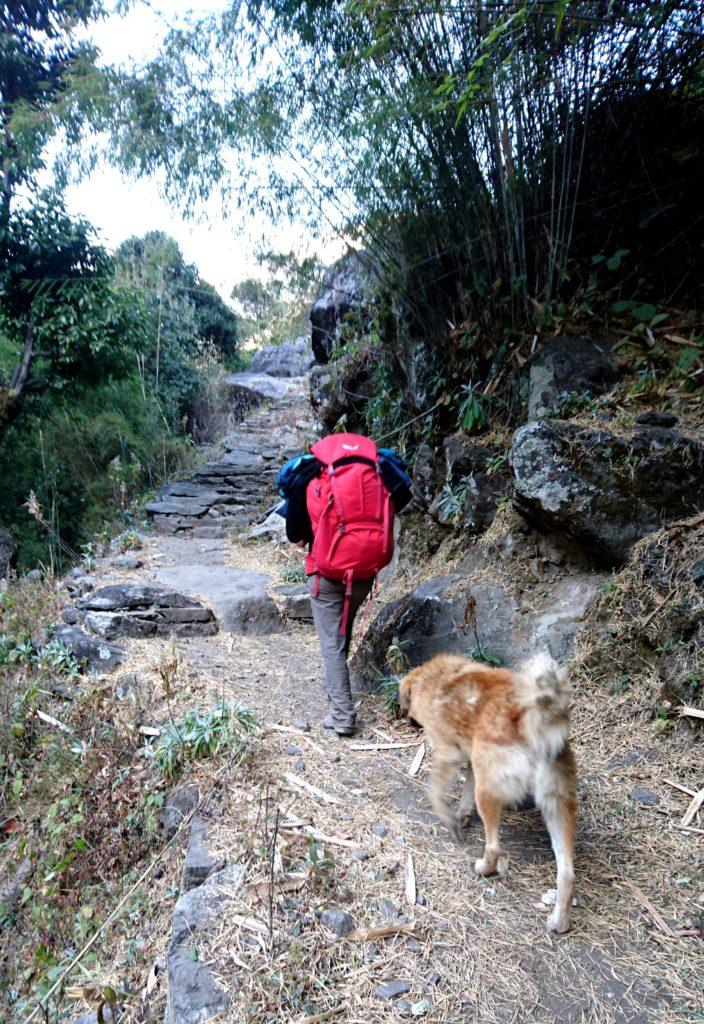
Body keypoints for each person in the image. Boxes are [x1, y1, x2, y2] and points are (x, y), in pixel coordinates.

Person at [278, 432, 411, 736]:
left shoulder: (312, 477)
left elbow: (295, 535)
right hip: (364, 573)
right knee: (340, 634)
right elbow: (399, 503)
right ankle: (339, 694)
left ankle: (341, 715)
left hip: (326, 575)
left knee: (332, 646)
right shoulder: (374, 475)